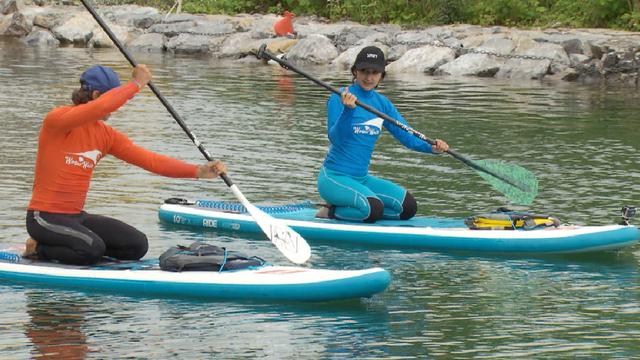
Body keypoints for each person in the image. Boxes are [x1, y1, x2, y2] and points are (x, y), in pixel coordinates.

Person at [24, 64, 227, 265]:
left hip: (76, 217)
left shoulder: (105, 135)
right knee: (92, 248)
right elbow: (103, 106)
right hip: (44, 218)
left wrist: (197, 171)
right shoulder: (57, 121)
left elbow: (151, 161)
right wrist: (136, 84)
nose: (117, 107)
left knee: (137, 245)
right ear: (96, 95)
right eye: (114, 98)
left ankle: (76, 248)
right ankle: (38, 248)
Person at [317, 46, 450, 223]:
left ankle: (356, 207)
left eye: (375, 72)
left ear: (382, 75)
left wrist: (432, 147)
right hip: (334, 178)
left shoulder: (382, 104)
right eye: (364, 71)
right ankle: (331, 211)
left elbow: (407, 135)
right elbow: (335, 138)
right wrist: (348, 112)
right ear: (355, 71)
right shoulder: (340, 97)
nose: (369, 77)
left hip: (361, 179)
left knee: (408, 208)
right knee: (373, 210)